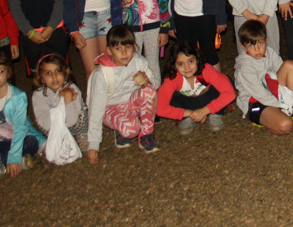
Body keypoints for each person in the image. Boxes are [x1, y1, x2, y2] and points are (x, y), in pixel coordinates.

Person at [86, 25, 160, 161]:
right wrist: (93, 143)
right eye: (118, 49)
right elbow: (96, 108)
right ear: (109, 50)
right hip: (111, 107)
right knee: (131, 130)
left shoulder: (138, 61)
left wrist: (147, 80)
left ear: (134, 47)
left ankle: (147, 134)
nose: (124, 53)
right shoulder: (102, 74)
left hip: (131, 103)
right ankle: (120, 129)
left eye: (128, 47)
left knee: (148, 91)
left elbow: (156, 83)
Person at [234, 19, 293, 134]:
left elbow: (287, 76)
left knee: (290, 65)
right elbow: (261, 95)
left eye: (260, 43)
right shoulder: (245, 67)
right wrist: (289, 105)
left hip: (273, 91)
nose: (257, 49)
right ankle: (275, 115)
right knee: (285, 125)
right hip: (255, 101)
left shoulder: (270, 52)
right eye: (251, 45)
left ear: (266, 41)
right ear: (243, 47)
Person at [155, 38, 236, 135]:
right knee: (168, 95)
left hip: (208, 99)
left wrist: (205, 110)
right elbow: (160, 108)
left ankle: (216, 113)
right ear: (174, 65)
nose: (187, 67)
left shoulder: (206, 70)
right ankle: (186, 118)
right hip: (187, 105)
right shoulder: (172, 78)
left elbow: (230, 93)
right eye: (180, 64)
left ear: (197, 59)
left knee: (225, 83)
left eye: (190, 61)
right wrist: (188, 113)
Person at [30, 53, 89, 157]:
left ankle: (82, 136)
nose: (54, 76)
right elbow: (45, 123)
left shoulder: (72, 89)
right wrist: (58, 115)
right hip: (54, 127)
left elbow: (71, 121)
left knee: (83, 113)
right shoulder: (38, 95)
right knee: (41, 122)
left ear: (65, 73)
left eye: (58, 71)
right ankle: (59, 139)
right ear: (41, 78)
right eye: (48, 73)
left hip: (73, 123)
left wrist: (68, 98)